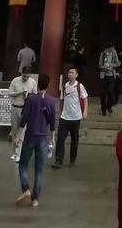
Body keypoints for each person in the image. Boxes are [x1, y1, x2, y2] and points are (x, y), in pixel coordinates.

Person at [16, 73, 56, 207]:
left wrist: (18, 135)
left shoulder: (30, 99)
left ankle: (25, 188)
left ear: (37, 84)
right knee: (39, 169)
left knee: (23, 164)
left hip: (30, 135)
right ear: (48, 85)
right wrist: (52, 138)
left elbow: (24, 118)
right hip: (43, 137)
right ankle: (35, 198)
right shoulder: (51, 101)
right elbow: (52, 122)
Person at [52, 66, 88, 169]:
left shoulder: (79, 86)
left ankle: (72, 160)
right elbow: (61, 100)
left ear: (76, 75)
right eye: (68, 73)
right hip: (64, 117)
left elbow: (85, 99)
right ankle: (58, 160)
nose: (69, 74)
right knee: (61, 138)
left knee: (74, 140)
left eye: (72, 73)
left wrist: (85, 111)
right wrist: (60, 112)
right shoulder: (64, 86)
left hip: (76, 117)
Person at [8, 65, 38, 160]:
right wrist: (20, 93)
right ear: (21, 74)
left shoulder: (33, 82)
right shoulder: (15, 80)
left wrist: (28, 96)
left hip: (25, 109)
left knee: (22, 132)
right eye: (24, 76)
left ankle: (19, 153)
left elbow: (35, 96)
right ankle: (14, 152)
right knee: (14, 131)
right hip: (15, 107)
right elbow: (10, 93)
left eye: (27, 76)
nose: (25, 78)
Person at [99, 41, 121, 115]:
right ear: (108, 48)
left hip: (111, 75)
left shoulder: (114, 53)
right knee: (103, 93)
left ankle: (109, 106)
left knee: (111, 91)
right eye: (112, 48)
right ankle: (103, 109)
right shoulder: (103, 54)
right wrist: (105, 67)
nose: (113, 49)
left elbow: (118, 63)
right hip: (104, 76)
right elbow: (100, 65)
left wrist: (111, 65)